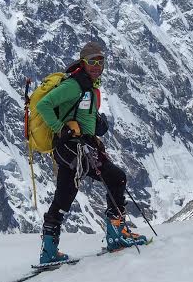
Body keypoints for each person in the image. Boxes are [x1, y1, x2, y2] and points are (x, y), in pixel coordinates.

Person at [34, 41, 147, 264]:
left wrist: (96, 127)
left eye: (100, 61)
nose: (97, 65)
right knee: (115, 178)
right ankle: (116, 235)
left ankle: (49, 250)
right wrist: (61, 128)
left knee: (65, 196)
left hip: (80, 147)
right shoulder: (74, 86)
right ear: (83, 62)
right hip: (73, 147)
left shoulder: (90, 88)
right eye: (92, 61)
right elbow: (43, 105)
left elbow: (85, 116)